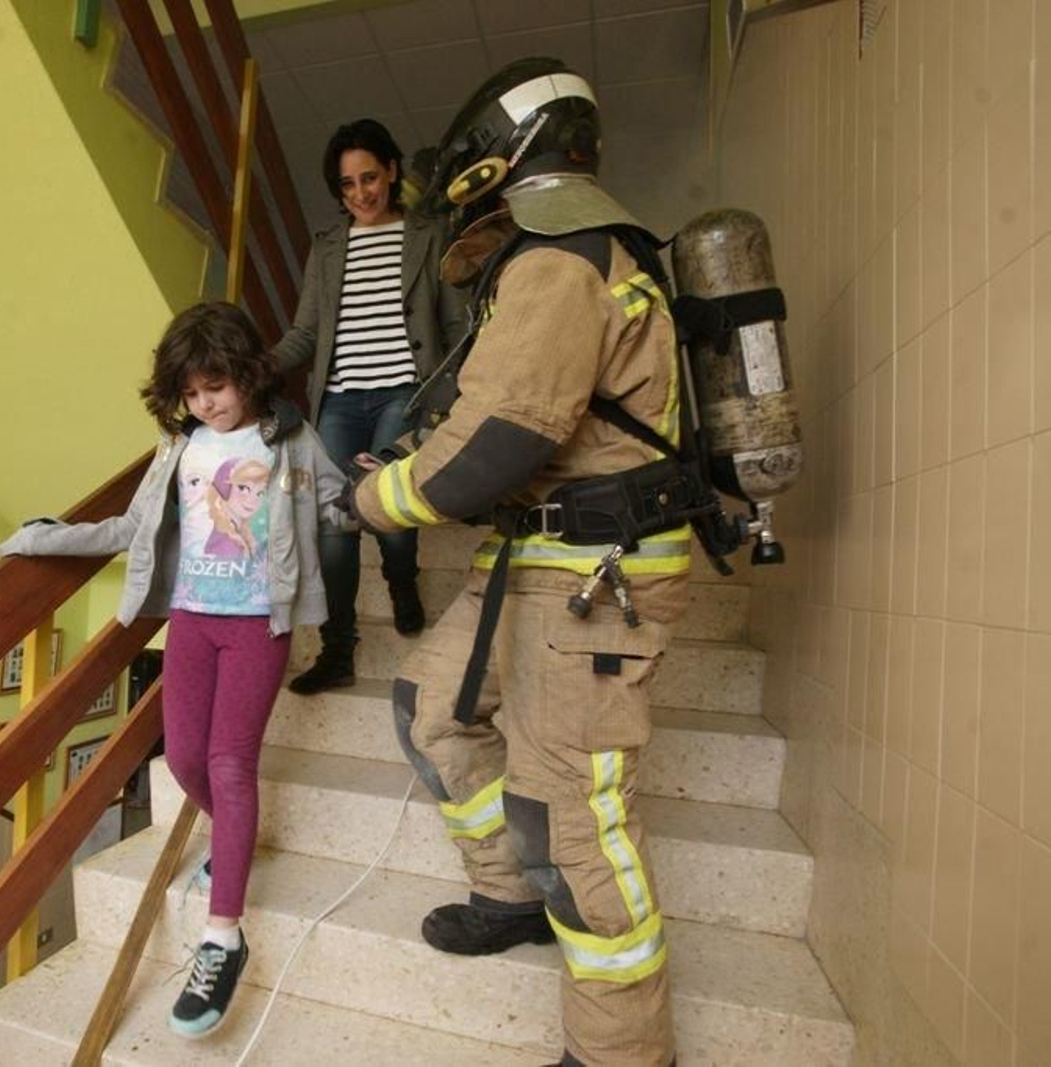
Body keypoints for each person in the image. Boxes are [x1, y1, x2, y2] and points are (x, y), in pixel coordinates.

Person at [349, 59, 691, 1067]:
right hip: (539, 557)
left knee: (570, 812)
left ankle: (623, 1050)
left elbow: (495, 442)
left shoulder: (559, 259)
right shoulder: (565, 254)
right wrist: (422, 458)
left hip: (592, 578)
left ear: (500, 156)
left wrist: (375, 498)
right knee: (431, 706)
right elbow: (510, 429)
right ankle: (509, 896)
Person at [0, 301, 350, 1039]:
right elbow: (132, 528)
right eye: (191, 393)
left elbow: (337, 505)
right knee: (185, 755)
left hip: (259, 622)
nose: (205, 404)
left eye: (215, 386)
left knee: (228, 760)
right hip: (190, 618)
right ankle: (232, 844)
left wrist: (394, 493)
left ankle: (223, 936)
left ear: (247, 374)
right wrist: (48, 539)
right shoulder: (180, 447)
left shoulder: (288, 438)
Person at [274, 118, 466, 694]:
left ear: (392, 171)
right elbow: (305, 334)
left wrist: (452, 394)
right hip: (337, 400)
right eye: (348, 184)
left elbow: (455, 325)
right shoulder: (327, 248)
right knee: (334, 526)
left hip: (403, 395)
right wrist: (250, 368)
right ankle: (338, 650)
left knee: (390, 508)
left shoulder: (430, 235)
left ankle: (402, 581)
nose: (361, 193)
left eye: (370, 178)